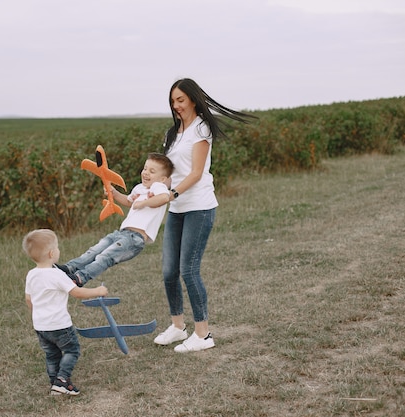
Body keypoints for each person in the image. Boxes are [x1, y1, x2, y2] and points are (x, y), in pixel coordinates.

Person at [153, 78, 256, 353]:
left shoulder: (201, 129)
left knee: (188, 270)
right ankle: (177, 327)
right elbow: (169, 173)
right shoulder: (172, 134)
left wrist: (172, 193)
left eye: (181, 100)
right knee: (168, 272)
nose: (176, 106)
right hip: (176, 209)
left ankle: (203, 334)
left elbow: (196, 173)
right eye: (173, 101)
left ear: (193, 100)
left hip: (198, 206)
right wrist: (152, 188)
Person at [57, 152, 174, 287]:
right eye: (145, 168)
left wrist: (143, 203)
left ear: (162, 179)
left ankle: (80, 277)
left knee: (105, 257)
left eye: (152, 171)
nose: (146, 173)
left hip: (134, 239)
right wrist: (114, 192)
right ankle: (69, 268)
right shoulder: (140, 188)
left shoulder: (158, 187)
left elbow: (164, 198)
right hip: (121, 233)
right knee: (94, 251)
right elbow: (128, 201)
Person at [22, 228, 108, 396]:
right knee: (72, 350)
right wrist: (98, 291)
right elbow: (77, 292)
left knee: (51, 354)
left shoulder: (31, 274)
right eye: (57, 247)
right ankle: (62, 380)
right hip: (59, 324)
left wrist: (38, 314)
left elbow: (28, 299)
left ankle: (55, 381)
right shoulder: (57, 274)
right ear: (51, 253)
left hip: (40, 325)